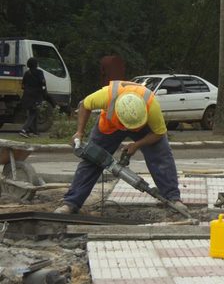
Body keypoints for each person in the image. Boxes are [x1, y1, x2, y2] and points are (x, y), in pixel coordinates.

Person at [54, 80, 188, 214]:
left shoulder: (151, 106)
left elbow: (159, 133)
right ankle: (71, 203)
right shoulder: (106, 96)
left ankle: (173, 198)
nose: (128, 130)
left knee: (161, 156)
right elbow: (84, 105)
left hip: (144, 128)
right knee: (92, 159)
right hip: (109, 127)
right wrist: (79, 132)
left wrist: (137, 145)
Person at [19, 58, 46, 138]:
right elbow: (43, 83)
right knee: (33, 113)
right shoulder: (39, 72)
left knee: (34, 112)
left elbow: (23, 85)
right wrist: (44, 91)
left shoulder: (27, 73)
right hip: (36, 96)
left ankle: (35, 132)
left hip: (26, 96)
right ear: (36, 64)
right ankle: (23, 129)